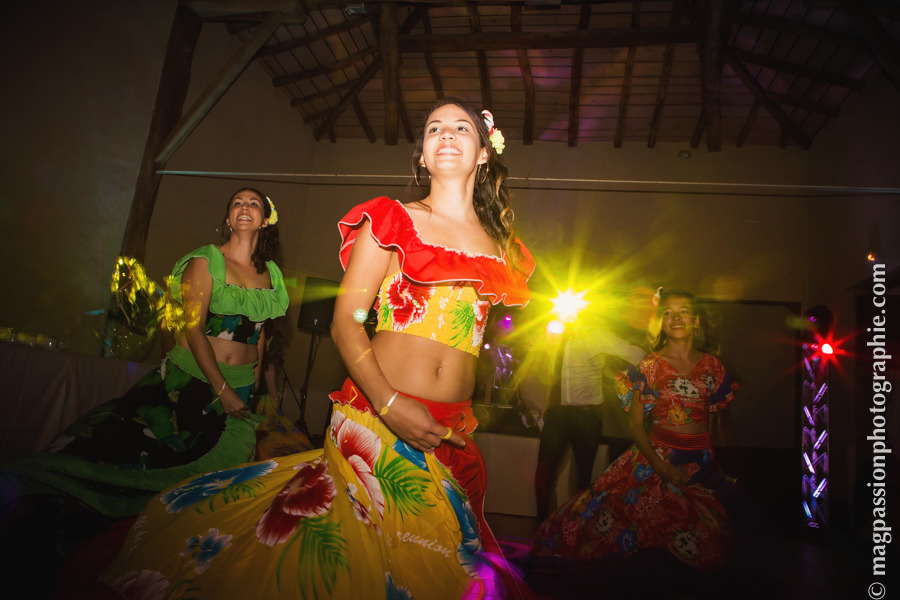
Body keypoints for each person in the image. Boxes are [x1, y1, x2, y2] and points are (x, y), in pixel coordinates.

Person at [96, 98, 536, 600]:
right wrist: (391, 404)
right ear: (421, 155)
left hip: (453, 424)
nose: (447, 135)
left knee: (445, 564)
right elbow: (346, 323)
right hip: (377, 411)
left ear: (484, 153)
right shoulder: (391, 221)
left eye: (461, 128)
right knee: (376, 560)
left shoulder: (502, 248)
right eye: (435, 128)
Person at [0, 187, 289, 595]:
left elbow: (261, 332)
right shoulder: (205, 261)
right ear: (228, 218)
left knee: (216, 484)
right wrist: (222, 388)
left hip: (239, 388)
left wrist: (253, 381)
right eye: (237, 203)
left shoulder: (271, 275)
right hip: (191, 383)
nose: (244, 208)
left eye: (253, 203)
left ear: (264, 220)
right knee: (145, 462)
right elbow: (192, 328)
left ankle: (172, 567)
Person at [529, 288, 738, 575]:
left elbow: (714, 420)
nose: (676, 318)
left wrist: (717, 460)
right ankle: (548, 529)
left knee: (585, 479)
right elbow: (540, 370)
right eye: (669, 313)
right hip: (572, 420)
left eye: (684, 312)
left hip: (593, 418)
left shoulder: (710, 366)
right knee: (549, 477)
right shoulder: (555, 335)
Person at [534, 312, 645, 521]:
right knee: (543, 475)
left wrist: (626, 380)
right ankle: (543, 528)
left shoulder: (597, 335)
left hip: (587, 416)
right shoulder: (553, 330)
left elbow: (637, 354)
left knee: (582, 479)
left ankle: (576, 529)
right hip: (557, 415)